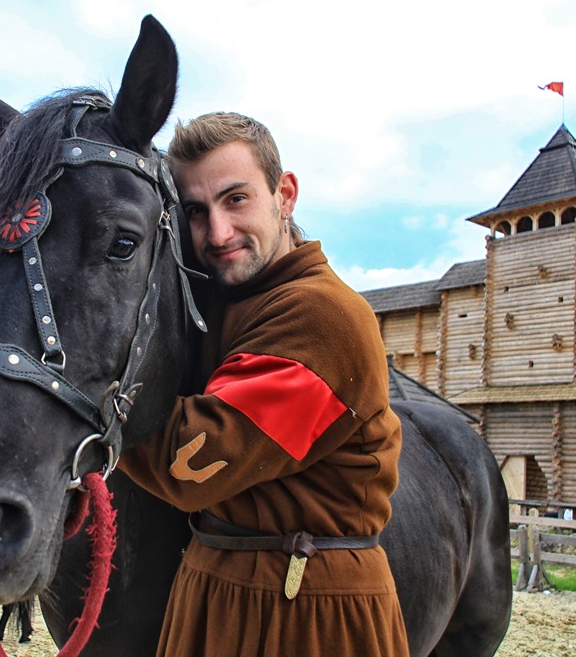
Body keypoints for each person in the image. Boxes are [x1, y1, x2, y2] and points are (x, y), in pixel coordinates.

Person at [117, 112, 409, 656]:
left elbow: (191, 460)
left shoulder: (324, 316)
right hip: (212, 583)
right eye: (197, 211)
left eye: (236, 199)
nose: (218, 233)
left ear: (285, 195)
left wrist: (74, 390)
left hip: (307, 609)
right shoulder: (226, 303)